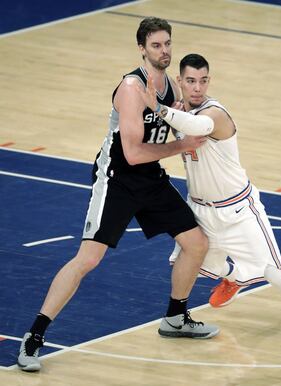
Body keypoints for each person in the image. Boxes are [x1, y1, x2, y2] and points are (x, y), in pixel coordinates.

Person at [17, 20, 220, 373]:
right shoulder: (131, 88)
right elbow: (133, 154)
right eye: (156, 45)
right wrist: (181, 145)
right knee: (88, 259)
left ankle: (175, 317)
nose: (165, 51)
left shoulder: (171, 85)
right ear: (142, 48)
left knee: (197, 243)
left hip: (151, 177)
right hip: (118, 180)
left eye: (167, 44)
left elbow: (182, 123)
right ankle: (34, 337)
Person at [139, 53, 281, 360]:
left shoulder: (215, 114)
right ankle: (236, 275)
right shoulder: (178, 111)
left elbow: (196, 125)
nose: (197, 87)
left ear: (209, 81)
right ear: (180, 82)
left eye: (203, 80)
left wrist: (157, 107)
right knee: (189, 266)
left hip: (239, 210)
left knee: (278, 274)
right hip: (201, 210)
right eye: (190, 81)